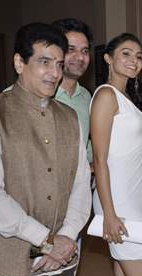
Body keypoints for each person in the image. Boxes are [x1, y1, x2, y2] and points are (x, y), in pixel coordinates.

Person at [0, 22, 92, 276]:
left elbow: (80, 183)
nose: (55, 73)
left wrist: (67, 237)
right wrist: (48, 241)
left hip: (59, 258)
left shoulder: (70, 117)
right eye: (44, 62)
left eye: (59, 64)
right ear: (19, 62)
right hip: (7, 257)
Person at [90, 33, 142, 276]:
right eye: (126, 54)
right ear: (108, 58)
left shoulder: (126, 97)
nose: (134, 61)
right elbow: (100, 160)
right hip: (119, 199)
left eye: (139, 56)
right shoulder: (106, 95)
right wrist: (110, 213)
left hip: (133, 194)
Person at [52, 18, 94, 166]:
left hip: (81, 186)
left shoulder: (86, 97)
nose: (80, 57)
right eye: (71, 50)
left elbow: (85, 146)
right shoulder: (35, 95)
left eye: (85, 51)